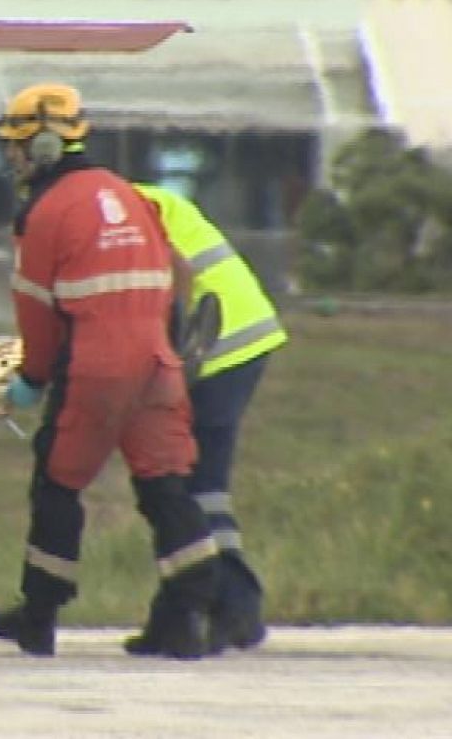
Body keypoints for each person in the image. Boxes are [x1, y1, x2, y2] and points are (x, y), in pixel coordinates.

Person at [0, 82, 219, 659]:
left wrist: (33, 378)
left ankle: (38, 616)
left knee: (58, 483)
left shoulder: (43, 213)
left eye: (15, 145)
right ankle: (185, 618)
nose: (10, 157)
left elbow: (35, 313)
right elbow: (177, 273)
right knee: (165, 487)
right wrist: (169, 341)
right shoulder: (130, 194)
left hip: (96, 366)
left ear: (39, 147)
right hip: (157, 362)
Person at [135, 183, 287, 652]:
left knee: (188, 485)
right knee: (200, 487)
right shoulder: (137, 197)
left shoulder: (116, 210)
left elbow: (174, 272)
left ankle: (233, 608)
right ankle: (219, 609)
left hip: (218, 345)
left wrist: (167, 349)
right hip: (238, 336)